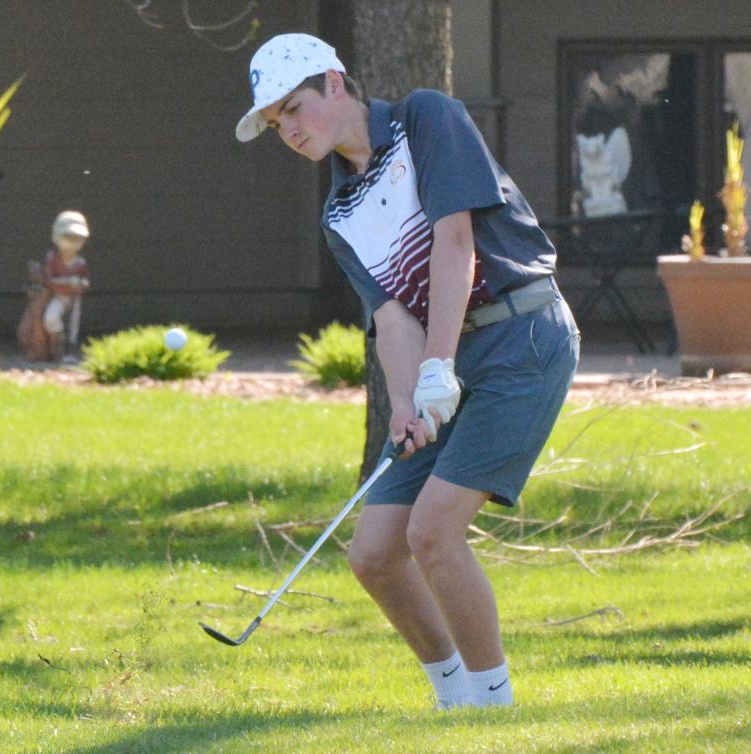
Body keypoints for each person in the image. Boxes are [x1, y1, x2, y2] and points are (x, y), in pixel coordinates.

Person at [236, 33, 580, 709]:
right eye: (278, 124)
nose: (291, 131)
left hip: (522, 339)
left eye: (294, 109)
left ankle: (493, 707)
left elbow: (457, 243)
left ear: (335, 83)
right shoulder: (338, 215)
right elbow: (392, 316)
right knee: (373, 553)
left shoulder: (426, 117)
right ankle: (453, 698)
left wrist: (438, 368)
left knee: (432, 532)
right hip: (447, 358)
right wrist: (404, 400)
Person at [39, 211, 90, 362]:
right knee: (51, 319)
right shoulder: (53, 259)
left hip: (74, 298)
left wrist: (80, 284)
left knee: (73, 326)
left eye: (77, 239)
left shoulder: (80, 263)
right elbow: (49, 280)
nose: (72, 243)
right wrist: (68, 281)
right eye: (68, 238)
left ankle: (70, 352)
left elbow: (85, 282)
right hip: (58, 297)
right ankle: (57, 348)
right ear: (57, 237)